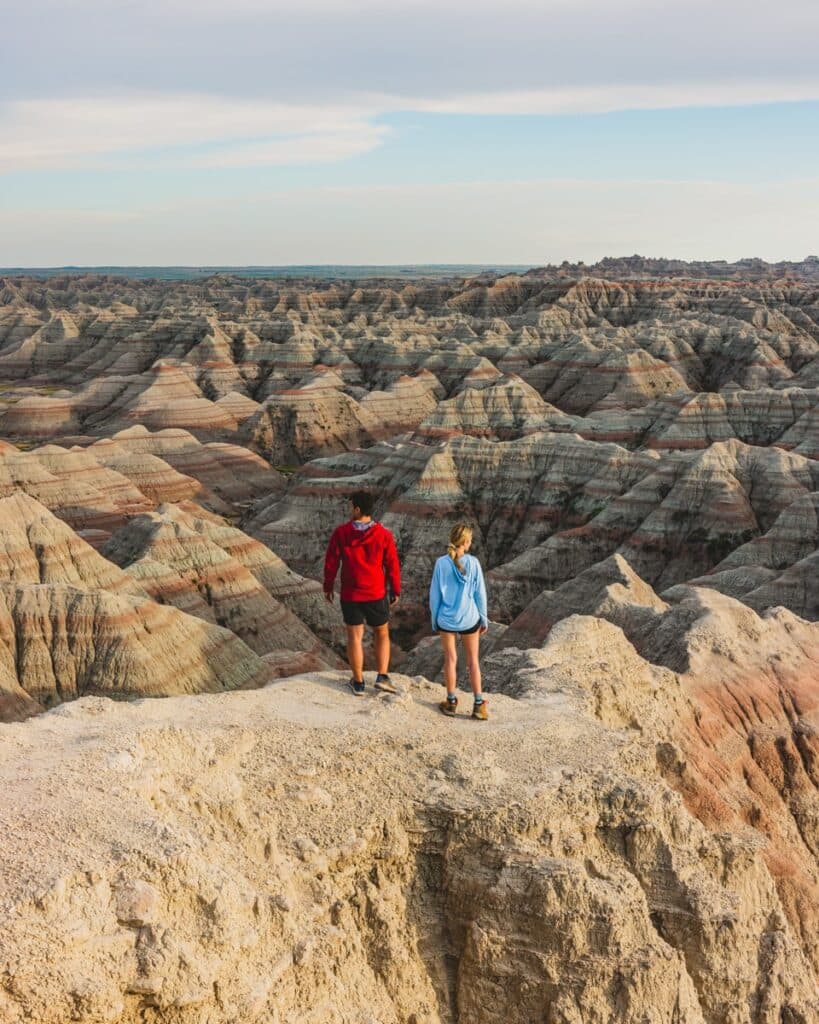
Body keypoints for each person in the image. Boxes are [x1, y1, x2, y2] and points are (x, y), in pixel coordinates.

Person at [324, 490, 401, 696]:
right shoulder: (384, 535)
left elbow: (331, 562)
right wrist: (395, 589)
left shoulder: (341, 533)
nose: (350, 510)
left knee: (354, 637)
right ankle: (382, 676)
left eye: (351, 506)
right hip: (376, 593)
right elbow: (392, 564)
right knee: (382, 633)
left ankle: (358, 682)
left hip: (350, 595)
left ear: (357, 509)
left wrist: (328, 586)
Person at [429, 523, 489, 721]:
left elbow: (435, 595)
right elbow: (480, 594)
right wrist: (483, 618)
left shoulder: (441, 563)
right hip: (469, 619)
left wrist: (434, 618)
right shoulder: (473, 563)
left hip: (446, 619)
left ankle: (451, 701)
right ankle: (479, 705)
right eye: (470, 540)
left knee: (450, 659)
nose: (471, 543)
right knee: (473, 662)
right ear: (465, 542)